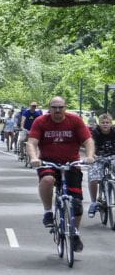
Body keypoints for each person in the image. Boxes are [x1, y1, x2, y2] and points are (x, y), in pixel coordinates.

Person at [27, 96, 95, 251]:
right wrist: (34, 158)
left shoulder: (75, 121)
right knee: (48, 180)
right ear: (49, 108)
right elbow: (32, 142)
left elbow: (88, 141)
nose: (57, 110)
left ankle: (75, 233)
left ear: (65, 107)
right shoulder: (41, 122)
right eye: (54, 107)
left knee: (76, 203)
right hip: (48, 162)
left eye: (60, 107)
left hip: (71, 163)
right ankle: (48, 212)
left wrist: (90, 156)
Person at [88, 113, 115, 217]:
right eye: (103, 123)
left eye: (107, 122)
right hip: (98, 158)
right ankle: (94, 202)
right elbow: (90, 144)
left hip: (113, 157)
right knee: (93, 178)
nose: (105, 124)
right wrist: (92, 155)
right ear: (99, 124)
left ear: (111, 124)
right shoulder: (95, 133)